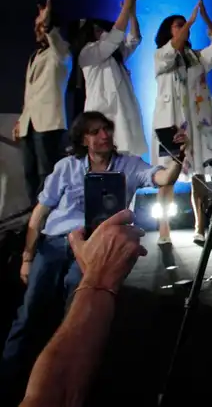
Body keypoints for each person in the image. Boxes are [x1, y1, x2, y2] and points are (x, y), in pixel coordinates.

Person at [0, 111, 185, 401]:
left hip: (94, 248)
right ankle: (7, 380)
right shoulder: (66, 166)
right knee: (29, 312)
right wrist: (27, 256)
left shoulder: (129, 164)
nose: (105, 135)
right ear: (84, 139)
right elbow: (40, 213)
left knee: (78, 313)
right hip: (54, 242)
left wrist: (178, 156)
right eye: (96, 131)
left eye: (107, 130)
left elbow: (163, 178)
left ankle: (70, 386)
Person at [19, 209, 147, 407]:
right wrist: (100, 278)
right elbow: (54, 397)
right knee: (30, 313)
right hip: (56, 245)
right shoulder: (63, 176)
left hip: (84, 247)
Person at [151, 0, 212, 245]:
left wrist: (204, 18)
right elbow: (173, 48)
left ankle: (200, 227)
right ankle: (164, 229)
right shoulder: (162, 55)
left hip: (195, 124)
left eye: (185, 24)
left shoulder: (196, 58)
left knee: (199, 174)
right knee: (167, 176)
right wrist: (191, 20)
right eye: (178, 25)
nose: (185, 27)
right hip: (171, 123)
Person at [74, 0, 147, 158]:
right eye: (99, 31)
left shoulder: (116, 55)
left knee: (125, 153)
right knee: (105, 152)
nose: (103, 34)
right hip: (103, 111)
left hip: (122, 110)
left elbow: (134, 39)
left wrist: (131, 13)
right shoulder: (88, 53)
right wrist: (126, 6)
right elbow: (114, 37)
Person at [15, 0, 71, 205]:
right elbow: (31, 93)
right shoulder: (35, 55)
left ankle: (48, 218)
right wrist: (22, 119)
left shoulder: (61, 52)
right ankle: (33, 217)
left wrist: (48, 26)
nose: (37, 29)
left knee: (46, 174)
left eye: (41, 26)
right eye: (36, 26)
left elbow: (57, 45)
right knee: (29, 173)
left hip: (48, 123)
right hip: (30, 124)